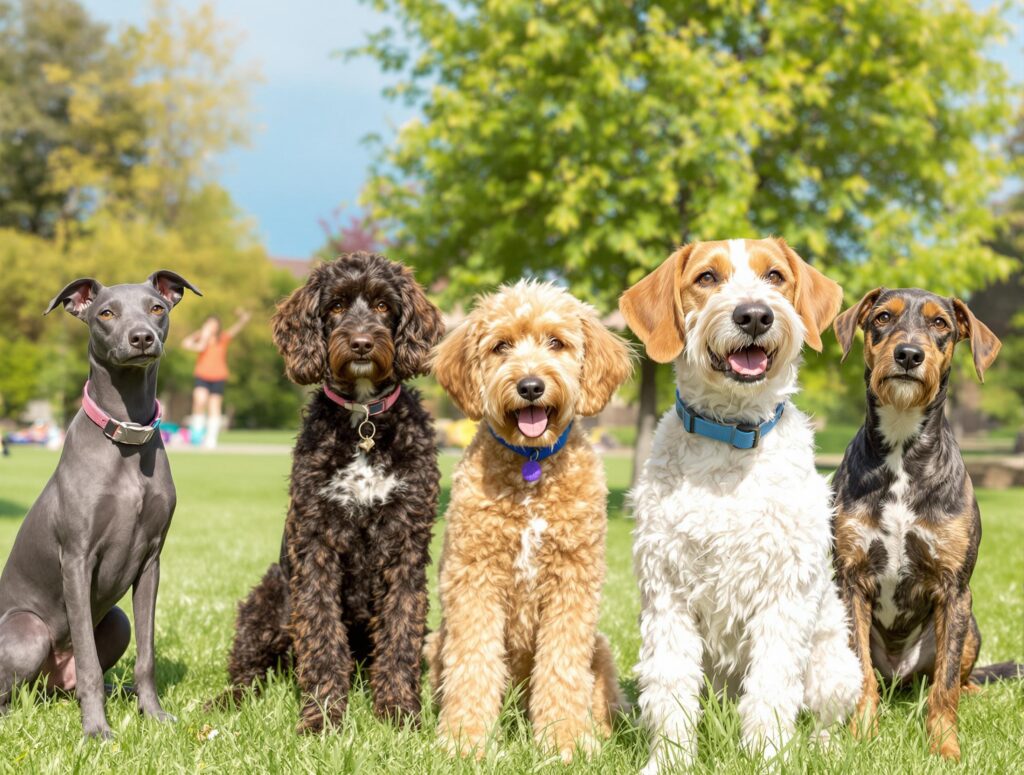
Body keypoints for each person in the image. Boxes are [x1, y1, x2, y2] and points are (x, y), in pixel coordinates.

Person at [181, 308, 250, 449]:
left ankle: (211, 439)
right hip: (202, 374)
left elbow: (240, 325)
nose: (212, 326)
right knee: (199, 402)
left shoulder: (223, 338)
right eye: (209, 323)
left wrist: (242, 316)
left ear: (218, 326)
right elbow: (185, 343)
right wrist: (200, 340)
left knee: (214, 407)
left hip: (218, 376)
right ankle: (196, 435)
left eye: (214, 324)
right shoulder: (200, 336)